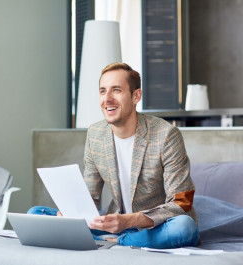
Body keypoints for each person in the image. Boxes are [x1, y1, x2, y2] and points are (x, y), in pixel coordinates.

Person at [28, 62, 199, 248]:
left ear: (136, 96)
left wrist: (129, 221)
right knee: (36, 213)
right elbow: (90, 196)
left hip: (154, 227)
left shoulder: (166, 135)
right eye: (102, 91)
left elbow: (182, 202)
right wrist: (70, 212)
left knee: (185, 228)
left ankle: (120, 242)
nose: (107, 99)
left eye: (116, 90)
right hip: (113, 226)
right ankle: (111, 238)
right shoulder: (95, 134)